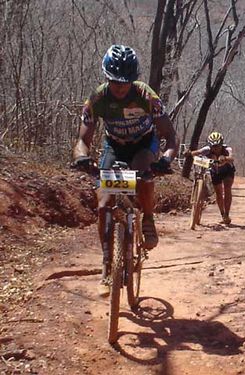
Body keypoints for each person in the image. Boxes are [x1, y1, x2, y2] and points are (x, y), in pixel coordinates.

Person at [72, 44, 178, 296]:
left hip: (144, 143)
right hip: (115, 146)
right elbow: (82, 140)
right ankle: (107, 265)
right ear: (106, 77)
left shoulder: (146, 96)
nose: (120, 86)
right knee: (103, 204)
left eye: (126, 81)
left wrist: (165, 160)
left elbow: (170, 137)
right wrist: (81, 157)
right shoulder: (97, 99)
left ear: (134, 79)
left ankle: (148, 219)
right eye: (114, 81)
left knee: (143, 173)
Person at [185, 132, 235, 225]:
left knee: (227, 189)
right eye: (214, 146)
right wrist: (189, 153)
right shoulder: (207, 149)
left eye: (218, 146)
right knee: (218, 193)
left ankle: (227, 214)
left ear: (221, 144)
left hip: (228, 170)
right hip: (215, 171)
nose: (216, 148)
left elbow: (231, 158)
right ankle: (222, 214)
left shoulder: (227, 149)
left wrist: (225, 158)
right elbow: (198, 152)